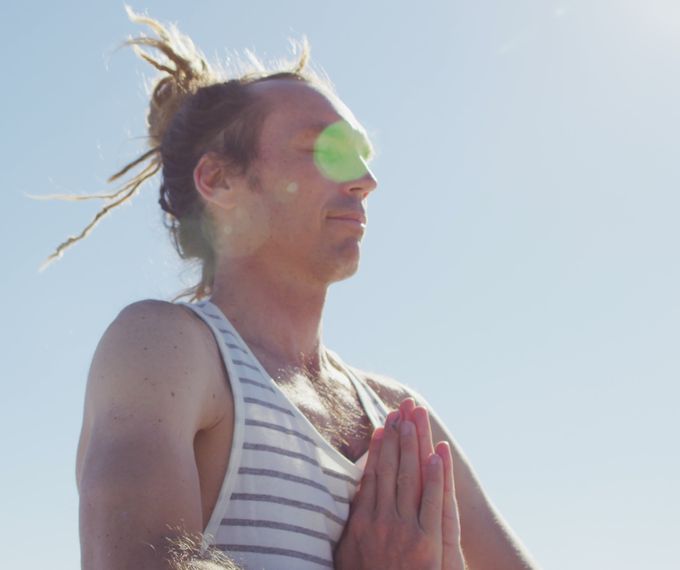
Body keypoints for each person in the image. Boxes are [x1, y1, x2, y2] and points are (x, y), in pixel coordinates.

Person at [55, 8, 540, 570]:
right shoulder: (164, 349)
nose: (366, 179)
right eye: (325, 150)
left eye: (361, 154)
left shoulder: (402, 416)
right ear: (220, 180)